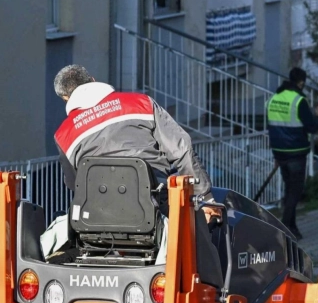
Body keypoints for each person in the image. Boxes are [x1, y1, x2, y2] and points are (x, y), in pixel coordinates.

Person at [52, 65, 214, 206]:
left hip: (98, 217)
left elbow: (74, 183)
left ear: (65, 98)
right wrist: (204, 197)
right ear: (93, 80)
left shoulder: (63, 135)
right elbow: (181, 148)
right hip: (156, 204)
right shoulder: (141, 103)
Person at [266, 67, 318, 238]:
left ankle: (293, 228)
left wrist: (275, 154)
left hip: (280, 152)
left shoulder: (274, 98)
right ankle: (284, 228)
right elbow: (312, 127)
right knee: (295, 191)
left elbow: (271, 127)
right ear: (301, 82)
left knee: (289, 189)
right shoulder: (299, 100)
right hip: (295, 152)